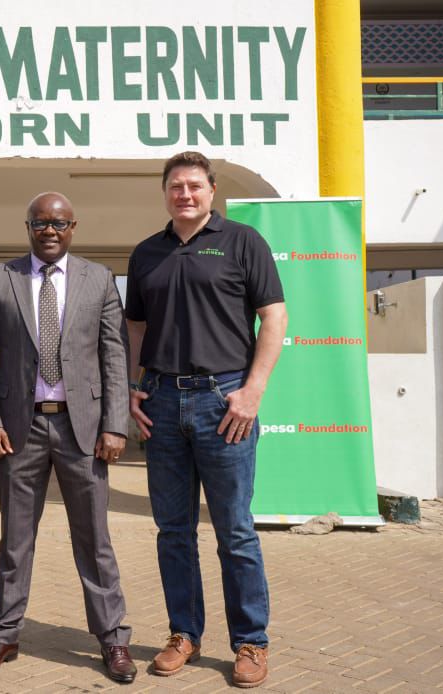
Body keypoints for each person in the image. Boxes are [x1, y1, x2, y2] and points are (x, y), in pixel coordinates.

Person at [125, 151, 287, 688]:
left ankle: (251, 642)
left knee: (235, 531)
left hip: (224, 403)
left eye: (195, 185)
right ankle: (184, 634)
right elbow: (136, 328)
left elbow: (274, 316)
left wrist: (253, 391)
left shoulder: (242, 242)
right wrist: (134, 385)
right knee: (173, 531)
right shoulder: (147, 253)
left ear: (212, 191)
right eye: (176, 186)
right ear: (165, 192)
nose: (185, 194)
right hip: (162, 402)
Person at [0, 192, 137, 683]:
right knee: (15, 540)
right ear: (28, 227)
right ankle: (3, 633)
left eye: (59, 223)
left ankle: (113, 638)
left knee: (95, 539)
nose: (50, 230)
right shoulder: (0, 278)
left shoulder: (98, 279)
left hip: (83, 430)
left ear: (72, 227)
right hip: (19, 430)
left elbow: (115, 355)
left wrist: (115, 424)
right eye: (40, 222)